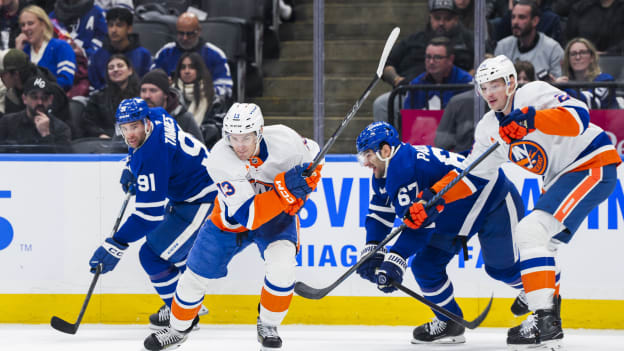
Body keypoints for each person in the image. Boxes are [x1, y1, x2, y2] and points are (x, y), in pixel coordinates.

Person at [404, 55, 621, 349]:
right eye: (484, 86)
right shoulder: (488, 129)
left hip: (591, 162)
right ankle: (541, 315)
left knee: (531, 231)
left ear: (511, 83)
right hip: (560, 178)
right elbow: (471, 177)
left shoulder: (533, 93)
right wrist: (432, 199)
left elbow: (579, 117)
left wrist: (531, 119)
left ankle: (546, 321)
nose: (490, 92)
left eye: (495, 84)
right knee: (545, 246)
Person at [142, 102, 323, 351]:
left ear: (259, 132)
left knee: (283, 267)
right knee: (193, 278)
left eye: (246, 138)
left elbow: (314, 156)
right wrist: (286, 192)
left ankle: (268, 324)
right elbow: (249, 216)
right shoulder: (219, 158)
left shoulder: (286, 139)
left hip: (275, 220)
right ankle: (177, 329)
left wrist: (305, 189)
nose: (239, 146)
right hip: (229, 222)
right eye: (233, 138)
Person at [354, 121, 525, 344]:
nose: (365, 163)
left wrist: (395, 260)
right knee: (426, 266)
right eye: (362, 157)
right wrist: (373, 249)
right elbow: (380, 213)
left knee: (502, 269)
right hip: (456, 211)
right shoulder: (387, 170)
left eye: (368, 155)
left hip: (493, 199)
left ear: (385, 150)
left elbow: (418, 226)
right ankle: (450, 322)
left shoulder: (403, 170)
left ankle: (544, 291)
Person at [88, 97, 217, 329]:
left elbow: (149, 216)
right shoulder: (158, 115)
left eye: (134, 126)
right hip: (191, 192)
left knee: (151, 256)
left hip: (205, 199)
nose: (129, 134)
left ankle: (185, 314)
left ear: (146, 122)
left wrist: (116, 244)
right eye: (124, 128)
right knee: (167, 249)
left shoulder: (152, 159)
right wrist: (131, 166)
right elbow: (141, 148)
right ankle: (188, 301)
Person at [372, 0, 474, 123]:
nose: (441, 23)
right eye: (437, 18)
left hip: (457, 92)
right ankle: (389, 142)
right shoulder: (413, 40)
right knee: (382, 103)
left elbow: (487, 57)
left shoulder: (468, 39)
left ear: (456, 19)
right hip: (414, 93)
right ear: (430, 17)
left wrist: (470, 77)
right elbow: (386, 65)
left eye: (447, 19)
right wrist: (398, 81)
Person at [152, 12, 233, 102]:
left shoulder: (215, 54)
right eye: (181, 33)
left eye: (189, 34)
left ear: (198, 31)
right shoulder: (165, 52)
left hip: (205, 103)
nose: (185, 38)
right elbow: (151, 82)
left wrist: (204, 93)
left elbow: (225, 86)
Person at [0, 48, 71, 129]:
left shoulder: (51, 92)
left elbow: (59, 128)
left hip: (56, 138)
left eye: (3, 74)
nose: (1, 77)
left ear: (16, 74)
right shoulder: (12, 94)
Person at [494, 0, 564, 81]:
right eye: (513, 17)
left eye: (521, 17)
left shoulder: (553, 49)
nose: (515, 22)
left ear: (535, 21)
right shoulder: (502, 47)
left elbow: (559, 84)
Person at [0, 75, 71, 152]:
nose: (40, 102)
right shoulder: (7, 122)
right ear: (24, 99)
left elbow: (62, 162)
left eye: (44, 98)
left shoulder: (61, 129)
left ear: (50, 100)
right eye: (34, 97)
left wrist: (46, 135)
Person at [88, 6, 152, 91]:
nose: (114, 30)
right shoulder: (97, 56)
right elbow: (94, 86)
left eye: (119, 25)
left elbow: (147, 85)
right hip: (104, 101)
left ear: (129, 29)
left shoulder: (144, 55)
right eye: (110, 25)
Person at [172, 51, 226, 148]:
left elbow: (217, 129)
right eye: (183, 67)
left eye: (191, 67)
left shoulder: (213, 98)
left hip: (204, 150)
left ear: (199, 70)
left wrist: (191, 133)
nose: (187, 71)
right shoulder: (170, 97)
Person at [16, 5, 76, 91]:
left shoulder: (61, 47)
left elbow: (66, 82)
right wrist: (18, 53)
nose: (26, 28)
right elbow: (16, 83)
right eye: (23, 25)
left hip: (56, 100)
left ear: (43, 25)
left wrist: (39, 87)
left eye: (30, 23)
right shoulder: (24, 51)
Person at [403, 36, 473, 110]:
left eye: (437, 57)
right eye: (428, 57)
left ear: (450, 59)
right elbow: (408, 116)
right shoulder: (416, 84)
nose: (431, 62)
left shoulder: (466, 83)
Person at [81, 54, 140, 138]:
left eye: (120, 66)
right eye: (111, 68)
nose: (115, 70)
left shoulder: (142, 95)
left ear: (130, 70)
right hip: (107, 142)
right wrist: (101, 134)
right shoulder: (98, 97)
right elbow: (89, 122)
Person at [139, 68, 204, 143]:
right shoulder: (134, 118)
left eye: (153, 90)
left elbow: (200, 150)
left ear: (165, 94)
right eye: (143, 90)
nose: (147, 96)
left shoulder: (184, 119)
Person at [555, 37, 617, 109]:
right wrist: (554, 87)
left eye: (583, 52)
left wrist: (562, 88)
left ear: (592, 57)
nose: (578, 57)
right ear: (568, 59)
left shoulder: (605, 80)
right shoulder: (565, 82)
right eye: (573, 54)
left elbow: (592, 103)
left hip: (602, 119)